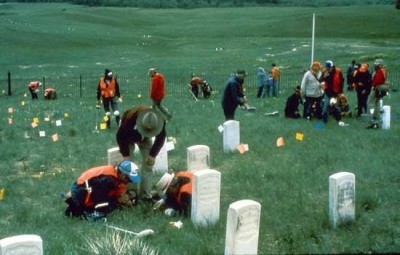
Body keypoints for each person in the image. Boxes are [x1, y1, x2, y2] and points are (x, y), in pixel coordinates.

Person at [116, 105, 166, 202]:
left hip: (144, 138)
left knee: (148, 164)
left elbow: (161, 138)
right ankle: (132, 193)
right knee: (129, 166)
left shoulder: (159, 120)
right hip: (128, 136)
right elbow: (120, 136)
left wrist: (153, 155)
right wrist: (126, 155)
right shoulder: (130, 119)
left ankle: (145, 195)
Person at [64, 160, 140, 220]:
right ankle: (93, 213)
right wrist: (117, 201)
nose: (129, 182)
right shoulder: (107, 180)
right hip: (80, 193)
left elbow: (117, 190)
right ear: (123, 175)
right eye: (129, 179)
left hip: (91, 189)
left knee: (112, 204)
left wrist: (123, 196)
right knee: (107, 206)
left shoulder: (116, 176)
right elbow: (99, 198)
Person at [321, 60, 346, 126]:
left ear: (332, 67)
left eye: (329, 68)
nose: (328, 69)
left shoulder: (338, 71)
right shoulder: (324, 72)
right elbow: (320, 80)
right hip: (327, 92)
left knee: (335, 106)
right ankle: (324, 121)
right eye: (327, 67)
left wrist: (340, 91)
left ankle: (339, 120)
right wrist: (324, 77)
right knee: (325, 107)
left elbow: (341, 81)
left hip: (335, 93)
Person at [367, 59, 388, 129]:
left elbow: (377, 81)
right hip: (379, 89)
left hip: (376, 89)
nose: (375, 65)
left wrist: (373, 86)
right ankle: (376, 120)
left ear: (380, 65)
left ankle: (373, 118)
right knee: (377, 103)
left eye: (377, 64)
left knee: (370, 103)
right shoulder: (383, 70)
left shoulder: (379, 71)